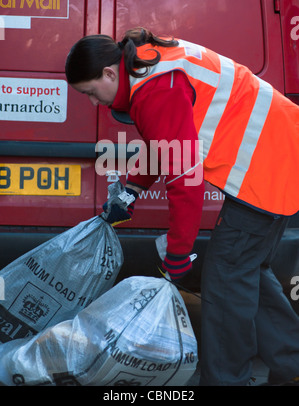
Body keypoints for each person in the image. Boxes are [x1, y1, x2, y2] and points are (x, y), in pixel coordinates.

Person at [65, 27, 299, 386]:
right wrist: (131, 190)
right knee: (246, 269)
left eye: (91, 93)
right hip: (281, 154)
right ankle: (291, 362)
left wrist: (178, 253)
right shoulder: (145, 64)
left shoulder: (154, 89)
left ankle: (227, 380)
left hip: (267, 169)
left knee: (225, 280)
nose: (95, 103)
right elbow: (166, 141)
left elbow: (185, 181)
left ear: (109, 74)